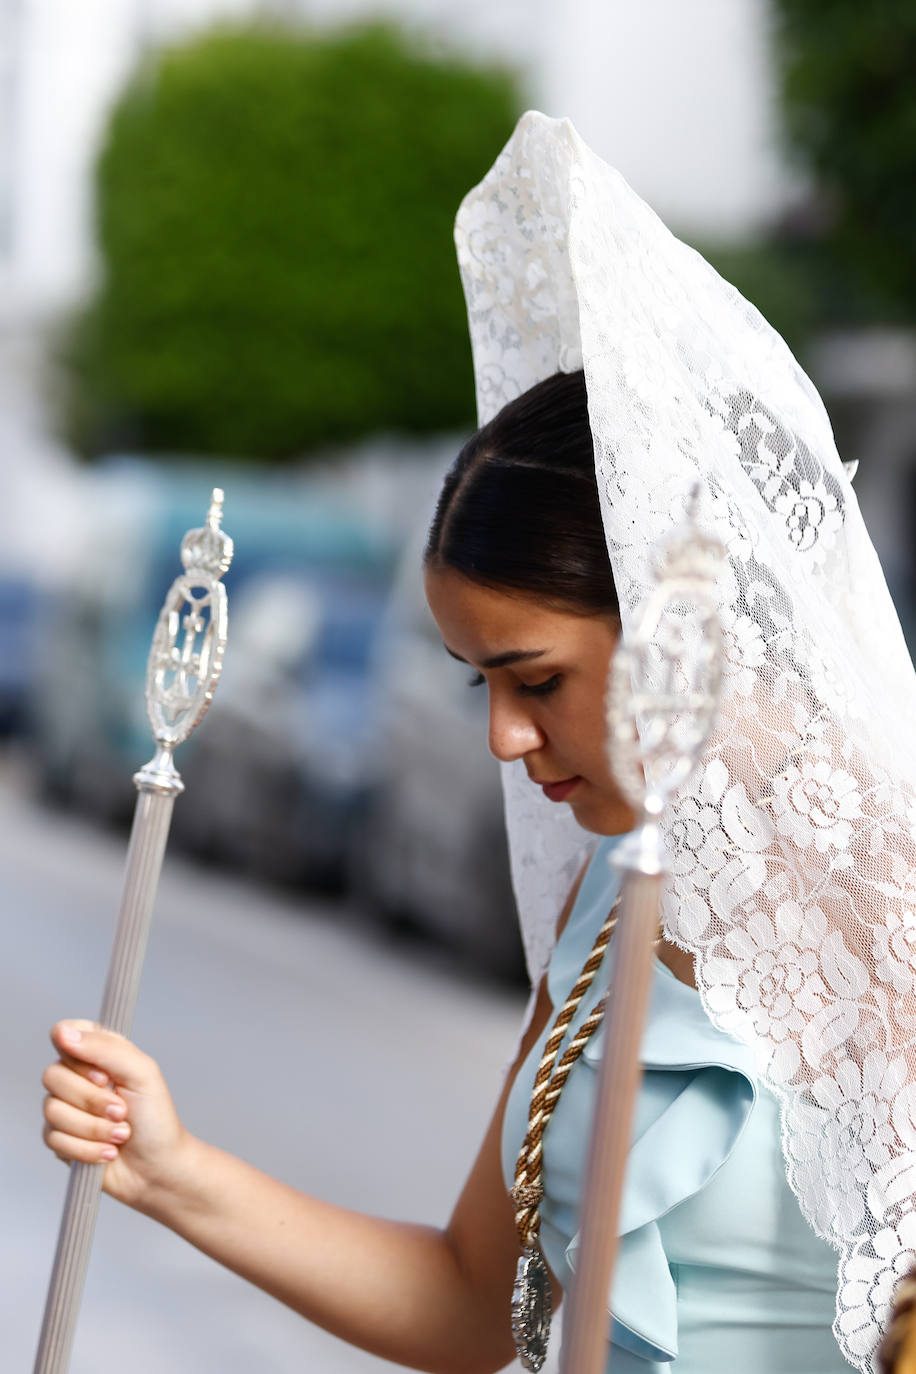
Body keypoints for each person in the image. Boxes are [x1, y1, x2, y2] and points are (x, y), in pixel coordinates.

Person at [40, 113, 916, 1373]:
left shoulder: (889, 893)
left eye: (536, 680)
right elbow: (466, 1302)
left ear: (686, 624)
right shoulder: (607, 897)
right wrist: (169, 1170)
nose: (505, 738)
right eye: (478, 687)